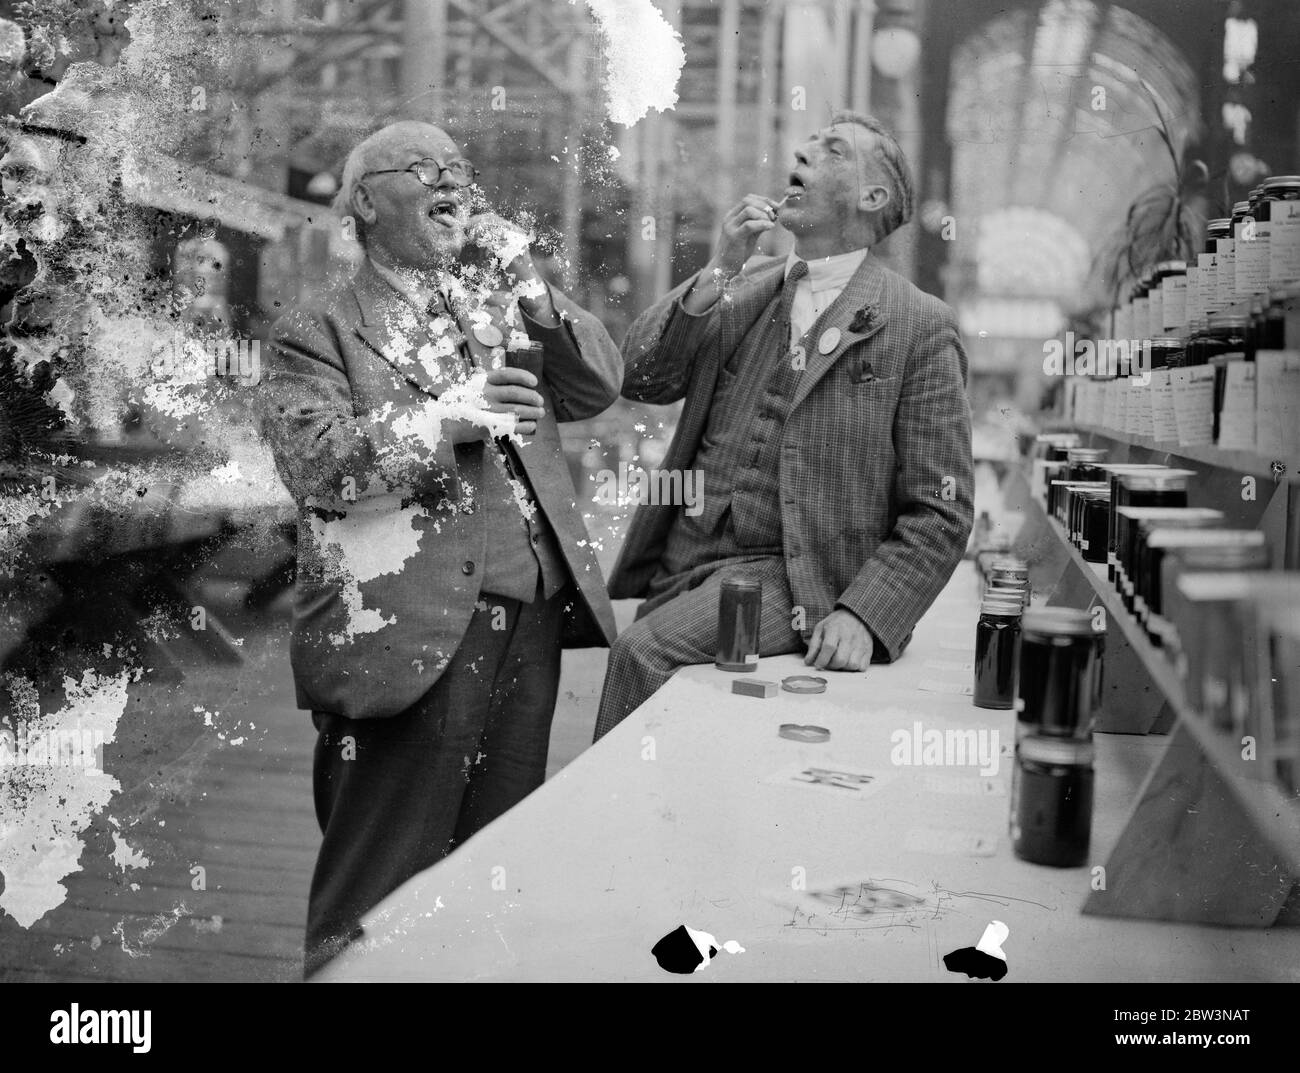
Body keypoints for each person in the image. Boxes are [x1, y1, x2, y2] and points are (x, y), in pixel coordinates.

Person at [259, 120, 622, 975]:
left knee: (489, 876)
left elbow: (599, 383)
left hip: (528, 622)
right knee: (378, 891)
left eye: (461, 167)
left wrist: (527, 278)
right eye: (426, 169)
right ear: (364, 204)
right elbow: (318, 464)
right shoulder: (317, 326)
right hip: (408, 631)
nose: (452, 180)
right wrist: (449, 418)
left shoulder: (496, 305)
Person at [595, 110, 973, 740]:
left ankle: (610, 831)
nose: (802, 150)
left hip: (793, 576)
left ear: (870, 197)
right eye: (808, 143)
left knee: (643, 652)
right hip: (684, 567)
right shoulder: (743, 287)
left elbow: (942, 509)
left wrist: (866, 614)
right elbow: (639, 378)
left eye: (831, 151)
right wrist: (721, 265)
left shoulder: (919, 325)